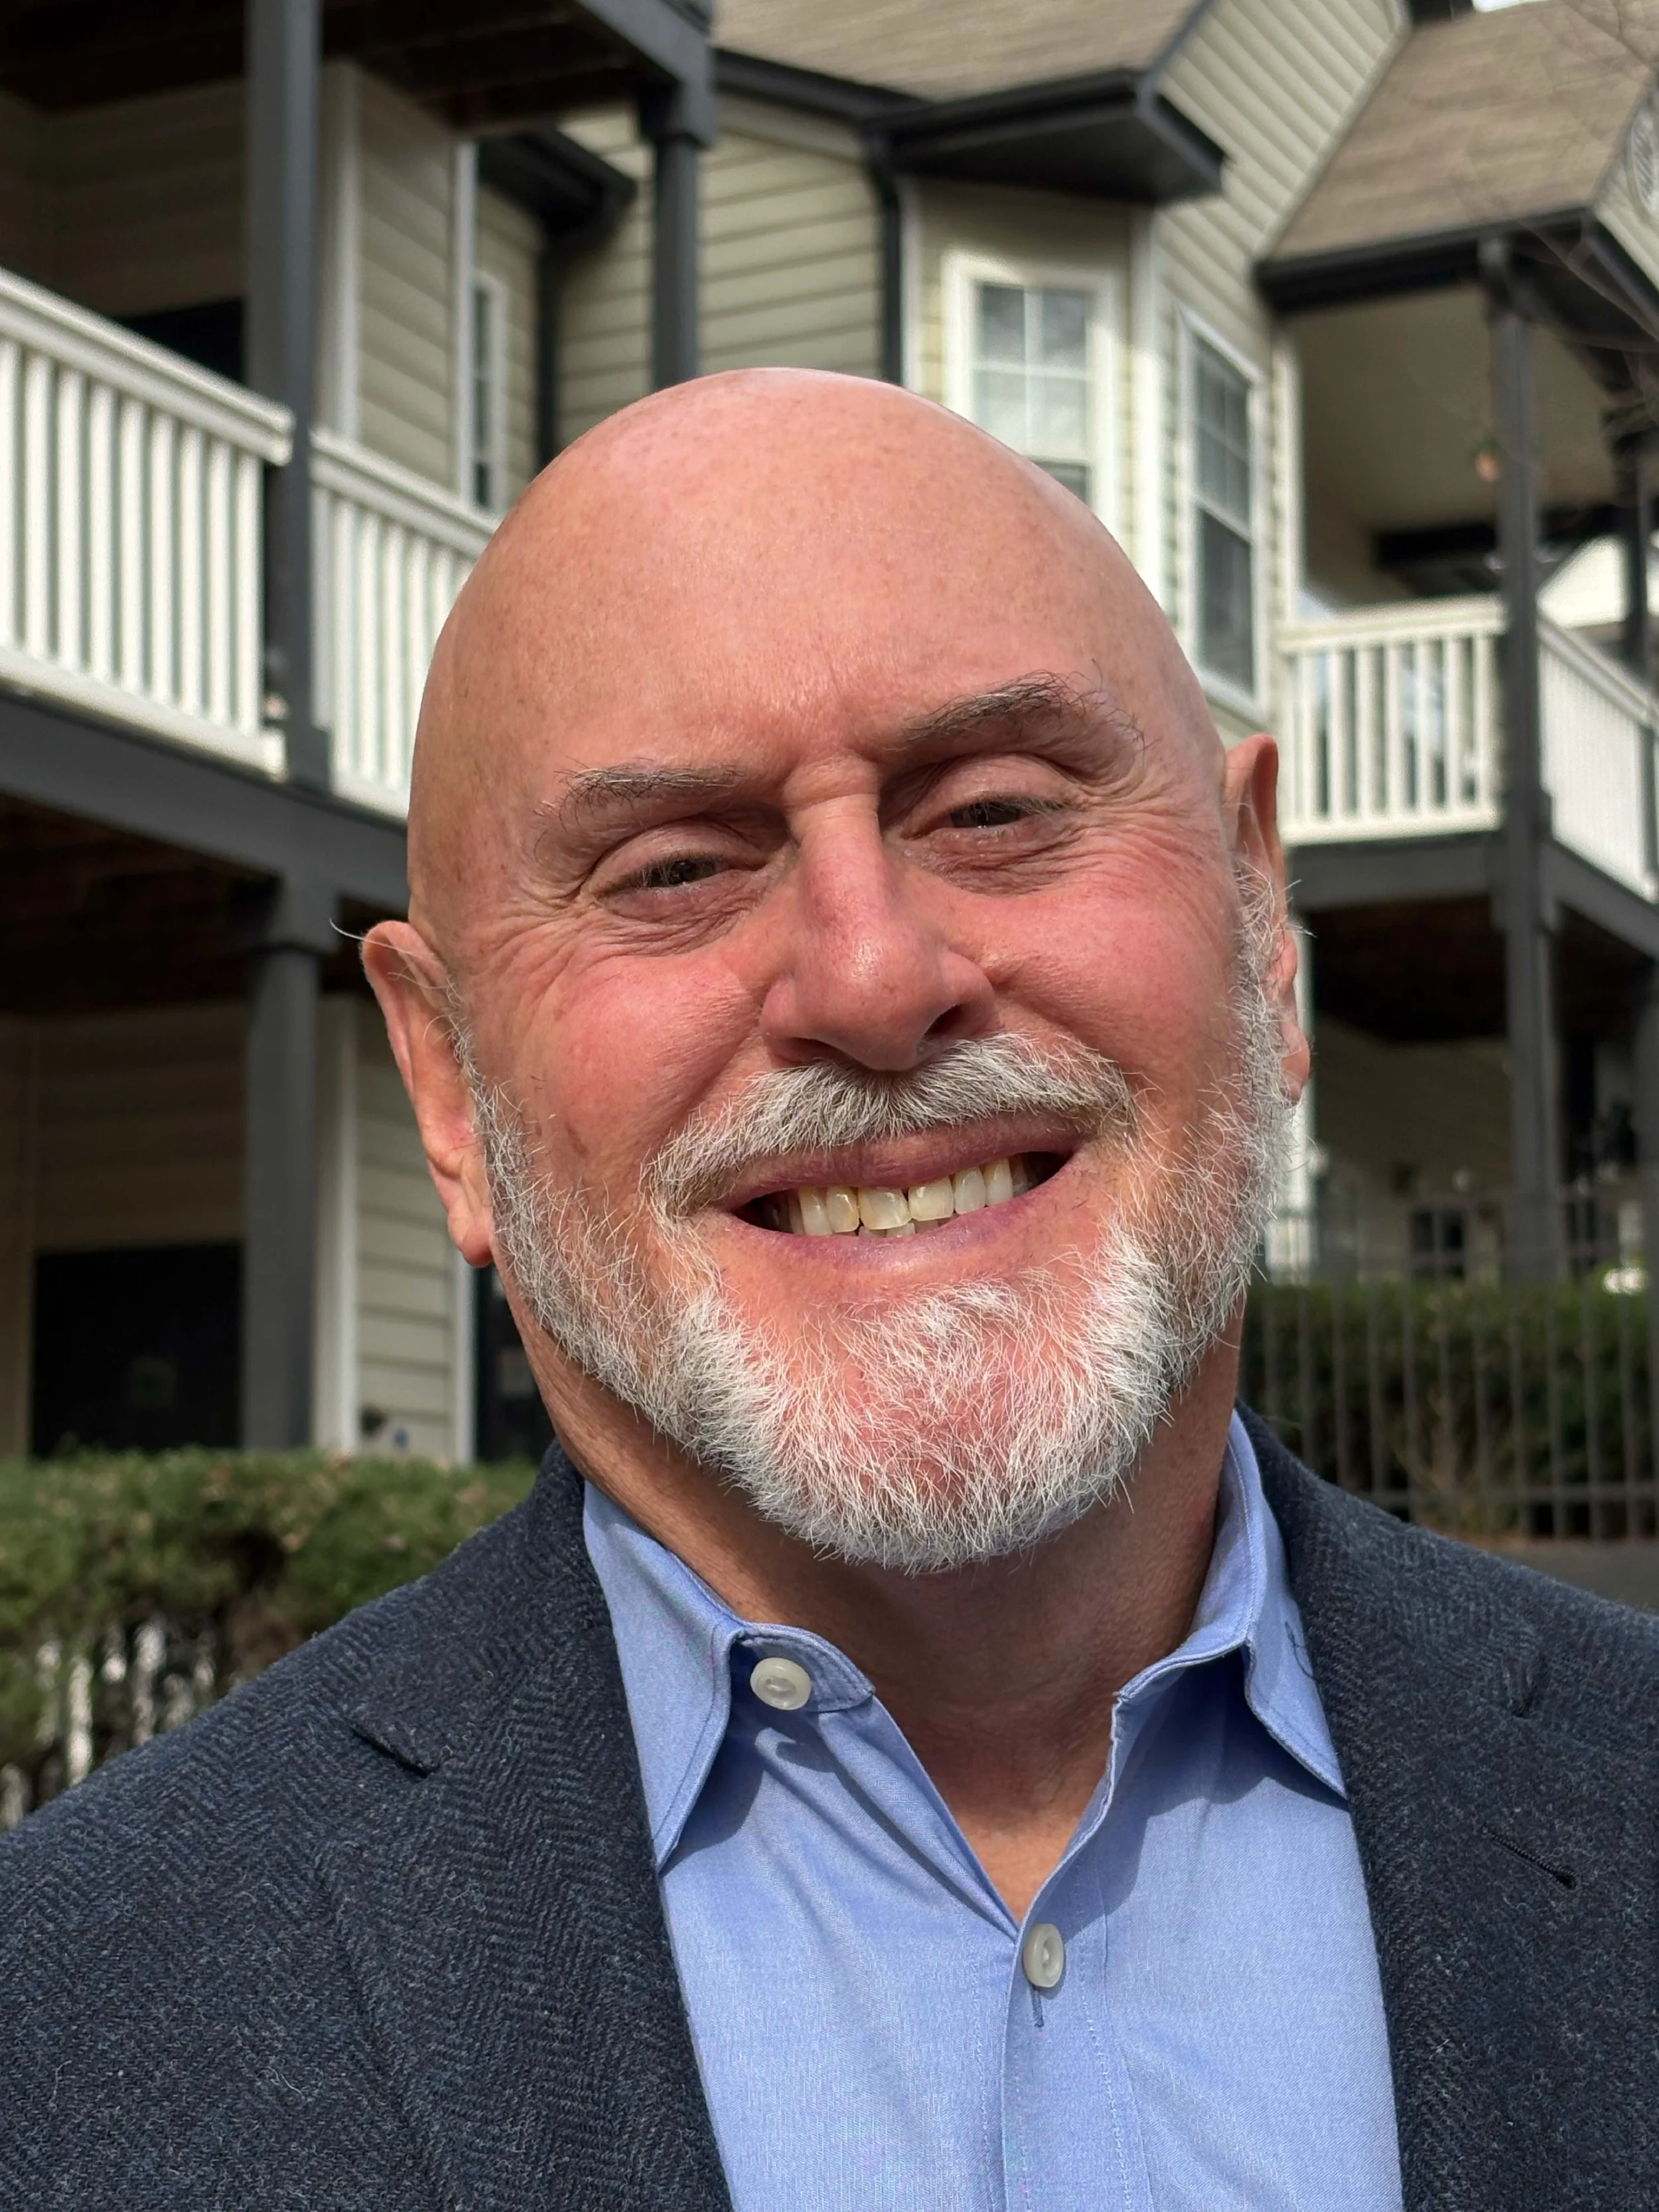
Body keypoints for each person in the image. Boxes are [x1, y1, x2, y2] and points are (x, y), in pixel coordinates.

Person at [3, 372, 1654, 2211]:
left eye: (997, 807)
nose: (872, 978)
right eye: (677, 867)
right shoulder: (64, 2030)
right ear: (448, 1083)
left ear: (1260, 924)